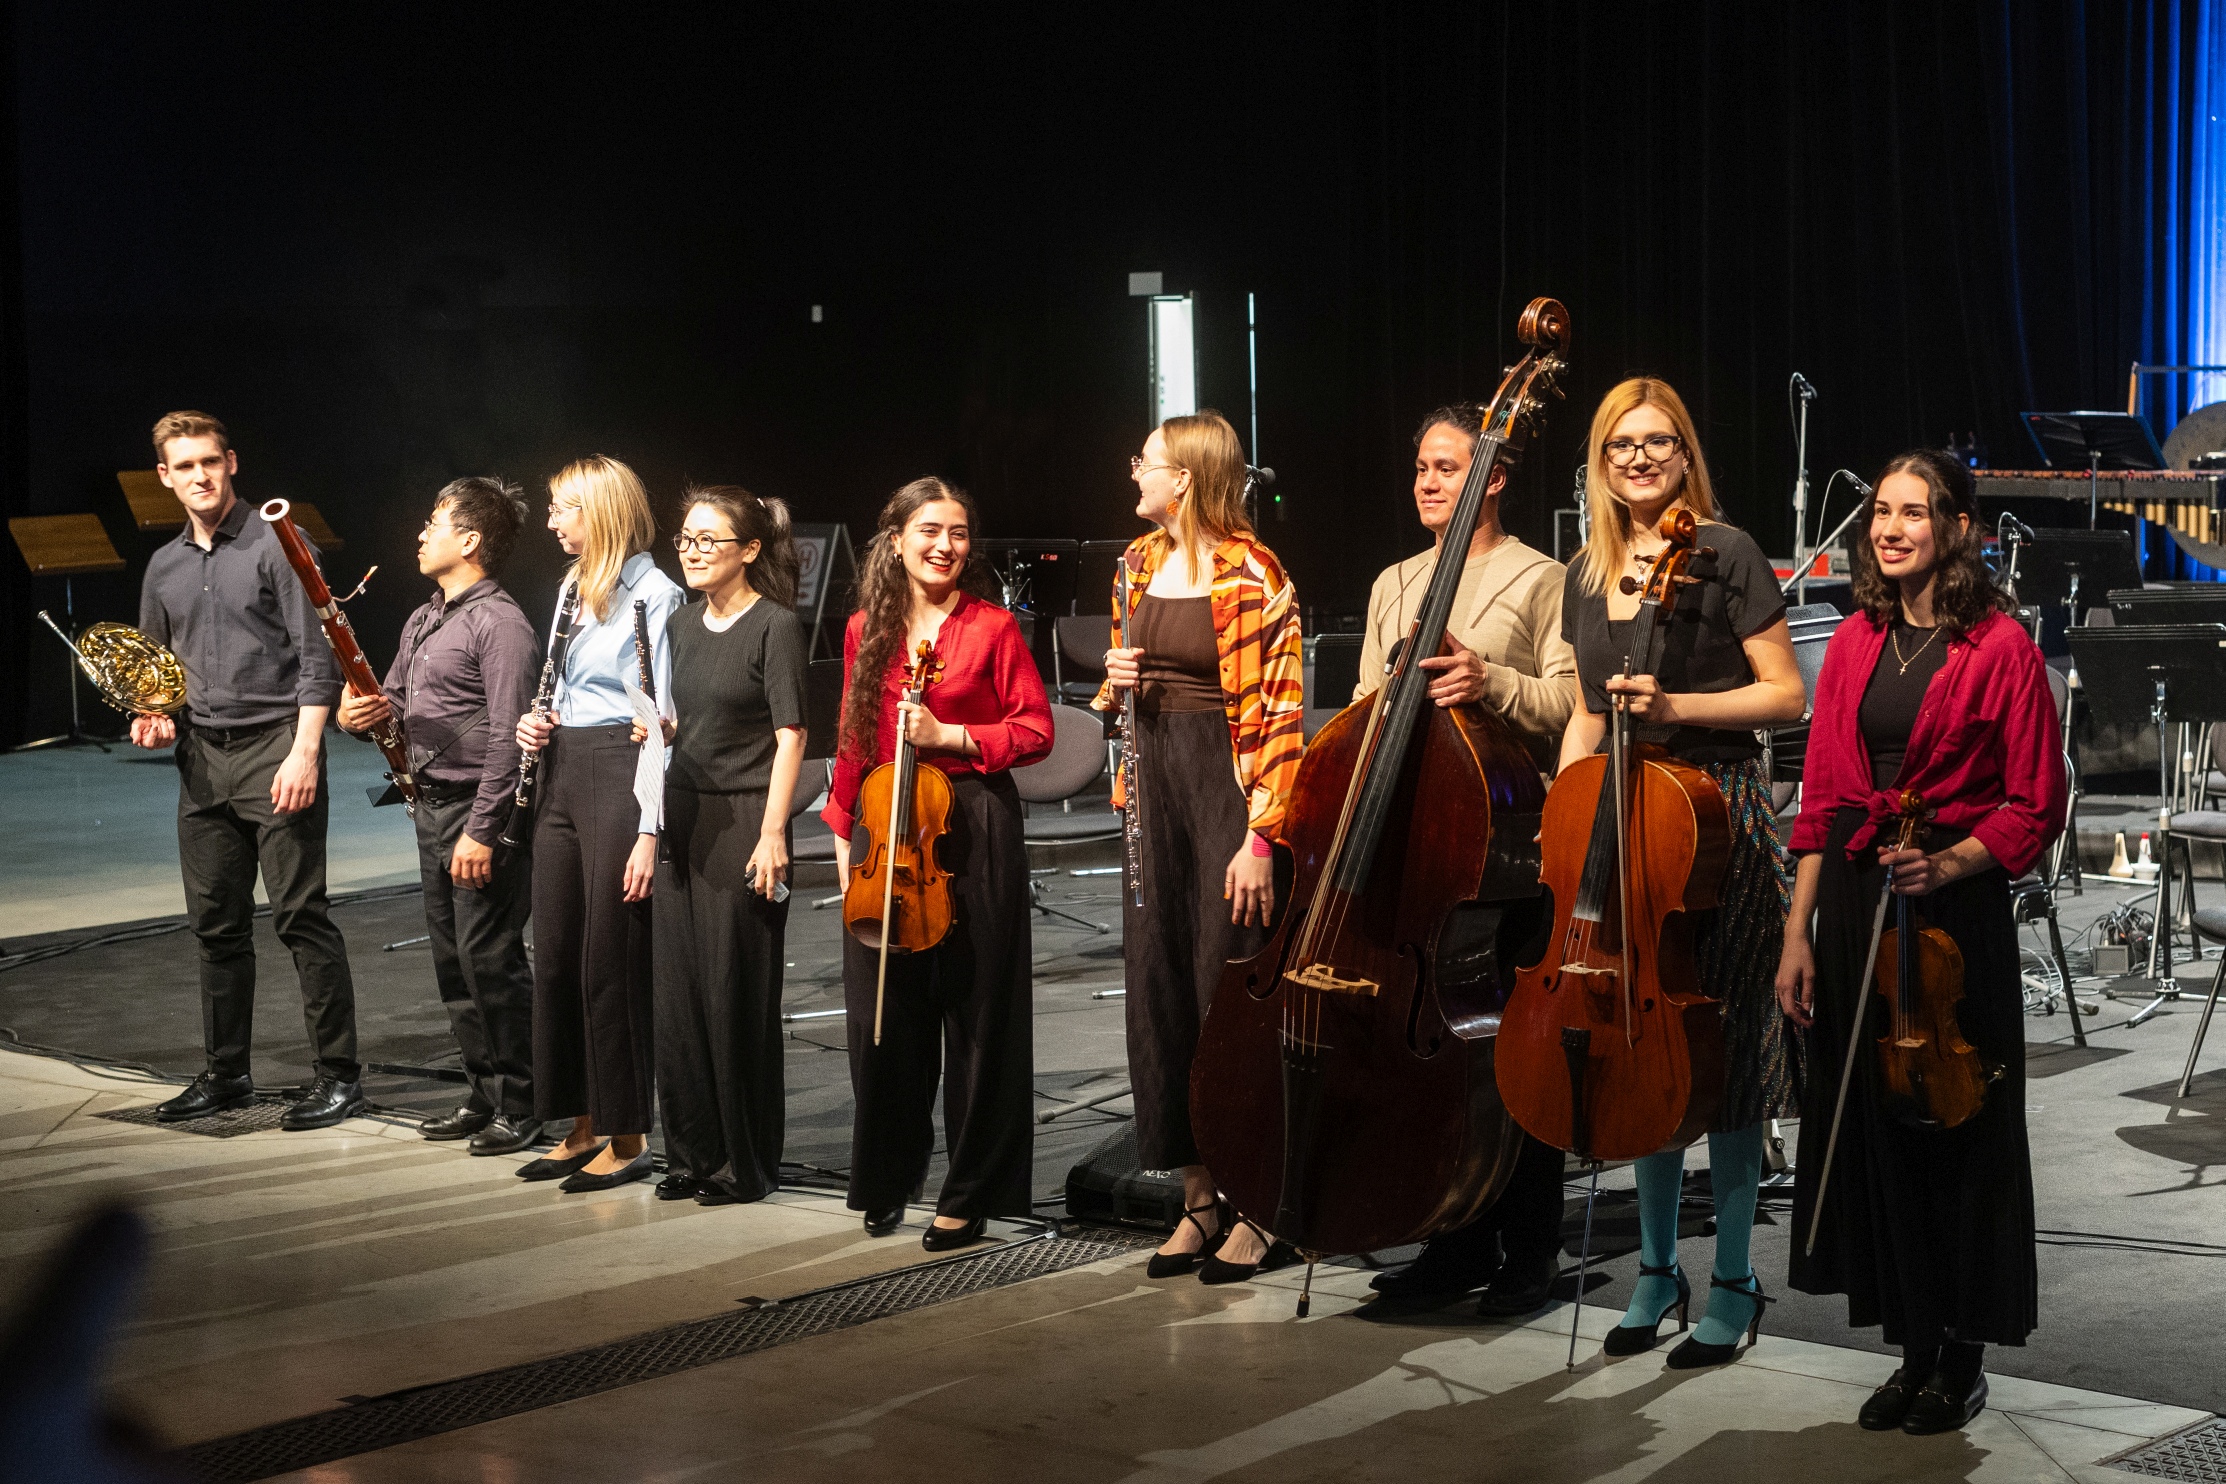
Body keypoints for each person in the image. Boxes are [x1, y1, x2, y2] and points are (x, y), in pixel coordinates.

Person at [1780, 450, 2061, 1435]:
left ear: (1958, 527)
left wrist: (1946, 865)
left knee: (1960, 1127)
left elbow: (2036, 802)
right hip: (1859, 898)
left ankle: (1963, 1352)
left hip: (1954, 908)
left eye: (1912, 512)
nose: (1889, 529)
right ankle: (1911, 1345)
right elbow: (1823, 799)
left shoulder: (2001, 646)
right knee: (1880, 1126)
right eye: (1881, 513)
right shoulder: (1857, 639)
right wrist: (1798, 933)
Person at [1557, 377, 1807, 1367]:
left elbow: (1784, 695)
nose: (1640, 459)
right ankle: (1658, 1272)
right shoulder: (1586, 571)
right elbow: (1587, 709)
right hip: (1622, 823)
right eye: (1621, 444)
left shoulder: (1727, 551)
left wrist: (1674, 709)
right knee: (1640, 1040)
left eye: (1658, 441)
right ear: (1600, 460)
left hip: (1717, 818)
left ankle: (1737, 1278)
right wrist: (1566, 807)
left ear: (1685, 453)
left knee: (1729, 1051)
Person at [1355, 403, 1579, 1316]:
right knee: (1437, 1047)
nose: (1428, 482)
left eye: (1447, 466)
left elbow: (1569, 702)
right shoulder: (1394, 581)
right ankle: (1451, 1240)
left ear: (1493, 476)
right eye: (1421, 467)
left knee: (1514, 1049)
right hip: (1416, 845)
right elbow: (1364, 708)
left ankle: (1530, 1251)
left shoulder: (1542, 577)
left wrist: (1491, 681)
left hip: (1506, 846)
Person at [1094, 410, 1304, 1284]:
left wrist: (1261, 835)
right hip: (1152, 793)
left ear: (1182, 478)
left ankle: (1259, 1206)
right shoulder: (1135, 565)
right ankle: (1198, 1199)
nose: (1133, 473)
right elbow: (1120, 692)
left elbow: (1282, 714)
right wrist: (1113, 683)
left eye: (1144, 461)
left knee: (1228, 992)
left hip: (1225, 790)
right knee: (1159, 988)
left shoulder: (1254, 572)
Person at [826, 477, 1053, 1250]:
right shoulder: (867, 628)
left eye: (957, 532)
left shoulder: (992, 627)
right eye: (929, 530)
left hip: (975, 821)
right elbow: (854, 735)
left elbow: (1036, 730)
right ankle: (887, 1177)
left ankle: (970, 1190)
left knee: (978, 1013)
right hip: (884, 825)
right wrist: (843, 840)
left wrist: (953, 737)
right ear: (895, 540)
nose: (945, 545)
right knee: (883, 1013)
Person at [131, 410, 363, 1131]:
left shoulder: (277, 544)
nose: (200, 476)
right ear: (164, 476)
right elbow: (155, 674)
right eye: (185, 466)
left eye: (211, 461)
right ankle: (227, 1073)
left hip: (276, 747)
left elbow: (319, 658)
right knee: (216, 927)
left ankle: (339, 1077)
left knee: (300, 917)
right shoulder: (164, 566)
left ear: (230, 462)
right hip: (202, 759)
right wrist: (154, 715)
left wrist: (304, 751)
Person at [337, 478, 544, 1155]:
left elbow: (511, 738)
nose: (422, 534)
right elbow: (394, 703)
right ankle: (484, 1092)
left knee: (491, 961)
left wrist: (483, 831)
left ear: (471, 539)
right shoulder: (425, 617)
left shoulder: (500, 623)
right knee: (454, 963)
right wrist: (356, 714)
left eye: (435, 522)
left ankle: (525, 1102)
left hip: (479, 812)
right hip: (432, 809)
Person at [513, 456, 685, 1192]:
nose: (553, 521)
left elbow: (660, 716)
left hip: (620, 767)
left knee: (609, 956)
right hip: (563, 765)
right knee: (554, 952)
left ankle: (629, 1133)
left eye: (565, 507)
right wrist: (535, 723)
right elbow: (562, 688)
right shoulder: (569, 588)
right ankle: (579, 1123)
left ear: (603, 512)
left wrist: (649, 828)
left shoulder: (657, 594)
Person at [641, 486, 809, 1206]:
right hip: (683, 813)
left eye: (709, 540)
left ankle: (745, 1164)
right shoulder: (680, 622)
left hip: (745, 818)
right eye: (686, 539)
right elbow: (692, 720)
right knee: (678, 996)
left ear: (750, 550)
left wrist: (772, 833)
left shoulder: (775, 625)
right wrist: (663, 732)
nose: (693, 551)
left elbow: (791, 735)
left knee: (733, 993)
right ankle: (691, 1154)